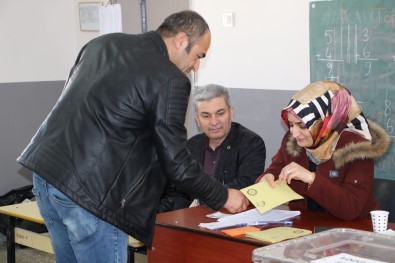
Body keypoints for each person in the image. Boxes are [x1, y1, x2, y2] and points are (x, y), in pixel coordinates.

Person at [16, 10, 249, 262]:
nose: (195, 66)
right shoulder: (171, 79)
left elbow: (72, 103)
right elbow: (176, 162)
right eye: (198, 56)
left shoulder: (103, 43)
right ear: (181, 40)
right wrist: (223, 196)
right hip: (92, 195)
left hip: (45, 174)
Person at [256, 80, 391, 220]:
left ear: (327, 122)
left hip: (354, 230)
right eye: (290, 124)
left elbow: (351, 209)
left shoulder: (356, 148)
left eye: (302, 125)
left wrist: (311, 178)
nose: (294, 133)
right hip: (305, 225)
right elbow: (276, 169)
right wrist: (266, 178)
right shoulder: (293, 142)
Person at [158, 84, 266, 212]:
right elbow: (178, 192)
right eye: (206, 116)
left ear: (231, 113)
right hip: (190, 219)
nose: (214, 122)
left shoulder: (251, 143)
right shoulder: (191, 146)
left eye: (220, 113)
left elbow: (244, 188)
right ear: (197, 119)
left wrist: (200, 201)